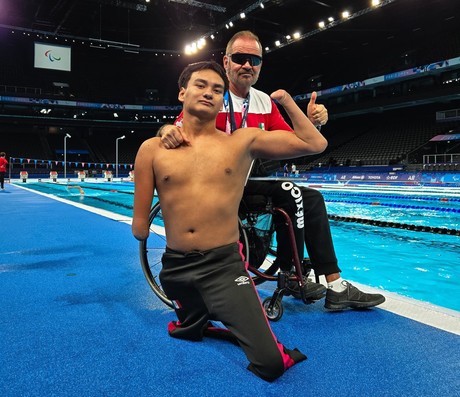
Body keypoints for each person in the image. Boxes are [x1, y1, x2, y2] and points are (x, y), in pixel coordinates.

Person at [158, 31, 385, 311]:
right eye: (240, 58)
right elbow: (178, 127)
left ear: (260, 65)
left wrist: (313, 122)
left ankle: (335, 285)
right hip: (214, 185)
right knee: (290, 191)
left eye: (254, 60)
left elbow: (297, 142)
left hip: (251, 183)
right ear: (226, 62)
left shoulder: (264, 101)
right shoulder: (214, 94)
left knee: (312, 198)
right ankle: (290, 274)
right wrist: (167, 130)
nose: (247, 65)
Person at [132, 61, 328, 381]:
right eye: (200, 85)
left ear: (223, 101)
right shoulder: (152, 150)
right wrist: (164, 134)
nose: (209, 92)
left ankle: (220, 311)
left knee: (271, 364)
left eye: (217, 90)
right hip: (176, 270)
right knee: (188, 331)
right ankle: (202, 314)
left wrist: (288, 103)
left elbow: (315, 144)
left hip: (223, 267)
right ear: (182, 93)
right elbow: (139, 227)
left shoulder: (241, 143)